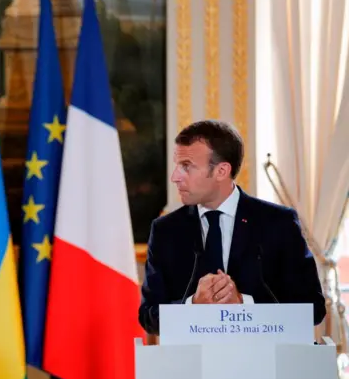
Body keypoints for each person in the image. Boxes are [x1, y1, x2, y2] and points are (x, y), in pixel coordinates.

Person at [138, 120, 326, 335]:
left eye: (186, 166)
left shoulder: (278, 223)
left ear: (221, 171)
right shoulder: (165, 230)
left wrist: (244, 305)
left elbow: (313, 309)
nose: (175, 177)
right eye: (177, 165)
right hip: (191, 364)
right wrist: (192, 306)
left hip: (263, 362)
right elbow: (148, 316)